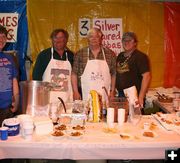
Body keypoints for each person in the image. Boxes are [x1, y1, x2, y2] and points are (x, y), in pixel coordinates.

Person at [71, 27, 116, 103]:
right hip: (84, 93)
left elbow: (114, 74)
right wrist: (75, 92)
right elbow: (74, 74)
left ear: (101, 38)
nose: (94, 39)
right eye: (91, 37)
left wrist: (112, 91)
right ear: (88, 39)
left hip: (105, 95)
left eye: (97, 37)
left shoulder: (110, 54)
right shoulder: (80, 53)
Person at [32, 28, 74, 102]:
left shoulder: (71, 56)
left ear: (66, 40)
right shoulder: (44, 55)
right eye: (55, 38)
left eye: (61, 37)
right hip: (47, 98)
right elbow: (36, 76)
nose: (58, 40)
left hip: (67, 98)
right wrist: (39, 93)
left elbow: (74, 76)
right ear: (52, 40)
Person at [116, 32, 151, 108]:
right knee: (122, 118)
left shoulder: (140, 57)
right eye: (124, 40)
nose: (126, 42)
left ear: (135, 43)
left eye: (129, 40)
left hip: (134, 94)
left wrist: (141, 96)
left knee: (135, 118)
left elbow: (146, 76)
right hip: (121, 94)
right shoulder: (120, 56)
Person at [0, 25, 19, 125]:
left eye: (3, 36)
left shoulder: (9, 58)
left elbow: (14, 80)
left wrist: (16, 101)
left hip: (7, 109)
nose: (1, 39)